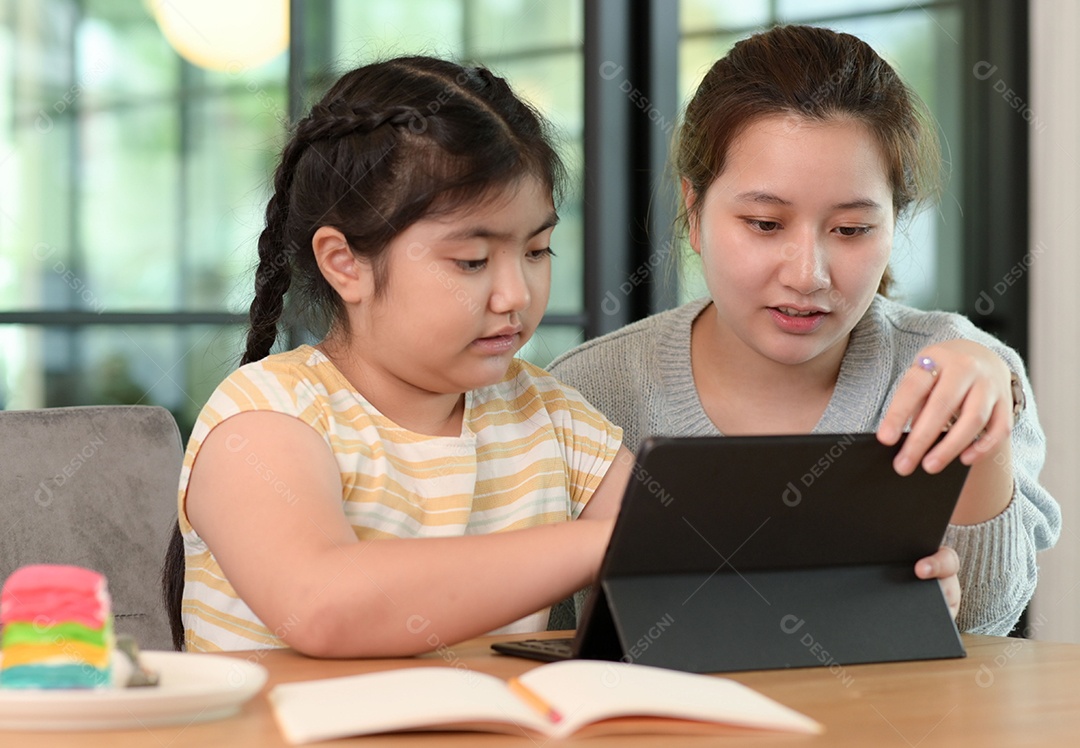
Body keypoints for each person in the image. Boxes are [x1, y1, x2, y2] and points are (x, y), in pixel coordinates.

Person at [550, 24, 1060, 636]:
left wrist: (986, 427)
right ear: (693, 211)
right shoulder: (586, 392)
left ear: (894, 223)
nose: (808, 275)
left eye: (850, 230)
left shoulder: (961, 370)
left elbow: (985, 626)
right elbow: (540, 642)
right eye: (765, 224)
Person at [161, 56, 635, 656]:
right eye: (471, 261)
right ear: (346, 263)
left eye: (538, 251)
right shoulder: (265, 420)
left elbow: (680, 553)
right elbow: (323, 606)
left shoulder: (552, 417)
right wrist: (608, 544)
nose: (516, 294)